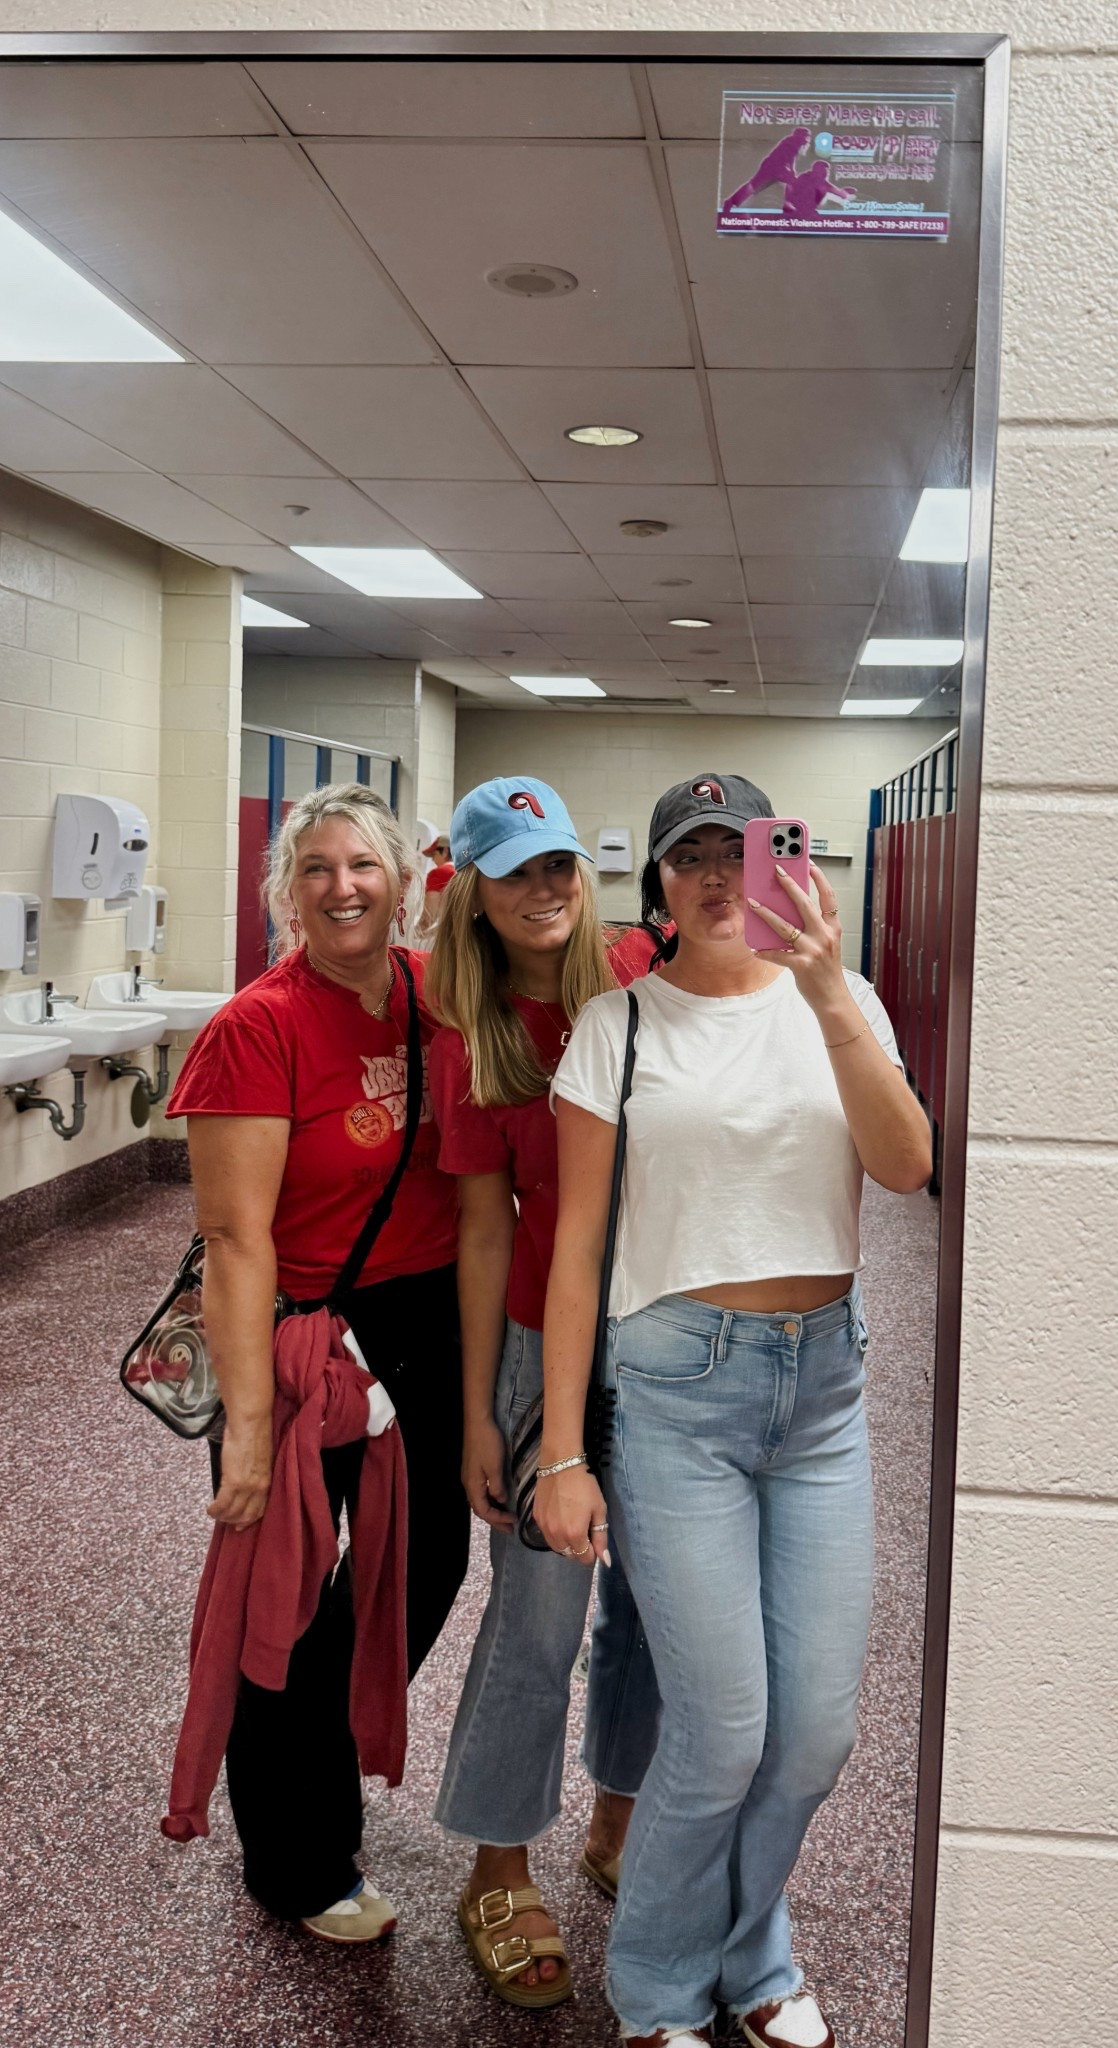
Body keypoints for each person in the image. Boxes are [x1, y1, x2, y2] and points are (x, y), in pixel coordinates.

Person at [535, 773, 933, 2048]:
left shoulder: (845, 999)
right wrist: (560, 1450)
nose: (717, 875)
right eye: (688, 855)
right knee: (721, 1728)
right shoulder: (618, 1025)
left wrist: (826, 992)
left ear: (789, 864)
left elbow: (907, 1162)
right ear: (655, 883)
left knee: (814, 1729)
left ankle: (753, 1951)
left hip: (821, 1389)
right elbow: (577, 1247)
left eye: (743, 849)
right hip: (673, 1391)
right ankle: (658, 1987)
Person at [165, 781, 463, 1944]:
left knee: (423, 1564)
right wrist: (245, 1422)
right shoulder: (258, 1025)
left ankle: (317, 1765)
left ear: (404, 880)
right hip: (300, 1336)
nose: (344, 885)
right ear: (287, 890)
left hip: (425, 1324)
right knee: (284, 1598)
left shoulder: (435, 997)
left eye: (364, 865)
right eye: (318, 867)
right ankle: (293, 1856)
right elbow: (237, 1239)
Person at [423, 775, 660, 2010]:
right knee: (539, 1616)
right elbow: (480, 1228)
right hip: (533, 1342)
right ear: (475, 887)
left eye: (560, 862)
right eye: (517, 869)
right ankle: (498, 1865)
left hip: (671, 1340)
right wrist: (479, 1410)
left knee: (665, 1609)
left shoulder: (634, 971)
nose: (545, 888)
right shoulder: (473, 1035)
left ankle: (618, 1823)